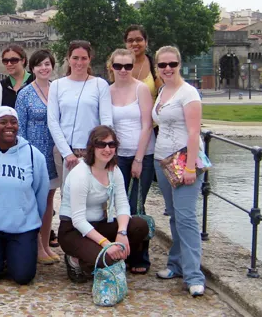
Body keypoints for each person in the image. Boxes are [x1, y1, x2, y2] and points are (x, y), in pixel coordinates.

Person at [0, 107, 49, 285]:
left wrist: (29, 217)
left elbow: (41, 193)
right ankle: (1, 254)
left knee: (22, 277)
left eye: (13, 122)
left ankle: (13, 253)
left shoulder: (33, 155)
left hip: (23, 227)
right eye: (3, 122)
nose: (9, 126)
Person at [58, 126, 149, 283]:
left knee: (140, 225)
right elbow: (78, 220)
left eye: (111, 144)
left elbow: (122, 204)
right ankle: (76, 259)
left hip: (99, 224)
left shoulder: (114, 170)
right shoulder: (81, 174)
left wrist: (122, 233)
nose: (107, 149)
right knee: (106, 259)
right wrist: (107, 244)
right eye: (101, 144)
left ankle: (107, 256)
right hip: (73, 230)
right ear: (92, 147)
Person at [152, 45, 206, 296]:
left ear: (179, 64)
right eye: (163, 65)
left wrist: (191, 166)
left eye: (172, 64)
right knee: (174, 215)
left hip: (184, 161)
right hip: (162, 161)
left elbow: (194, 132)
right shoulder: (163, 91)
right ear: (157, 67)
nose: (167, 68)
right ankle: (176, 265)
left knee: (186, 218)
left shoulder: (189, 93)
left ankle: (194, 274)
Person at [107, 48, 155, 273]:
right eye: (118, 66)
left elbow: (147, 125)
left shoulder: (141, 89)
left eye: (128, 66)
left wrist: (138, 158)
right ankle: (121, 251)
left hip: (141, 154)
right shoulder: (108, 91)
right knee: (117, 205)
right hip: (117, 156)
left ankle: (140, 256)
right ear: (112, 67)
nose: (123, 70)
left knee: (137, 204)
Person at [15, 49, 60, 264]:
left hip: (53, 153)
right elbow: (19, 128)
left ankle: (45, 243)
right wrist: (24, 155)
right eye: (39, 64)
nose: (44, 68)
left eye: (47, 64)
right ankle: (37, 247)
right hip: (33, 153)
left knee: (50, 199)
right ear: (32, 68)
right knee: (35, 201)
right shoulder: (25, 93)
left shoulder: (58, 90)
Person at [48, 40, 113, 186]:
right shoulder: (57, 86)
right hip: (66, 151)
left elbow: (106, 121)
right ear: (68, 59)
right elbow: (52, 121)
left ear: (89, 59)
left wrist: (101, 149)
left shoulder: (99, 84)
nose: (79, 62)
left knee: (96, 196)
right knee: (68, 199)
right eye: (75, 58)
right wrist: (67, 153)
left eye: (84, 58)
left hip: (93, 151)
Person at [124, 25, 162, 98]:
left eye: (138, 40)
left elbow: (164, 95)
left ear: (146, 42)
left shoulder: (155, 66)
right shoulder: (118, 67)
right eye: (130, 40)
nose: (134, 44)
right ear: (125, 44)